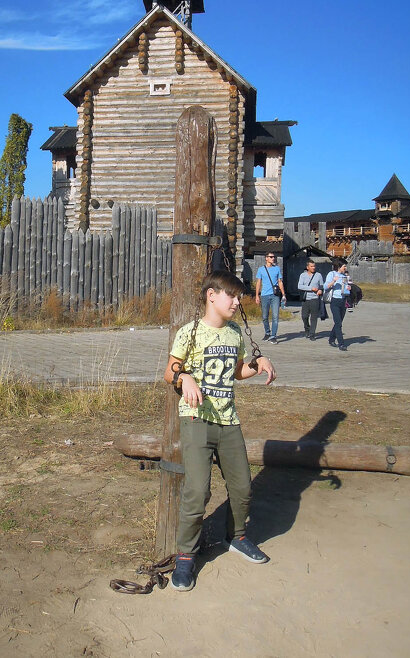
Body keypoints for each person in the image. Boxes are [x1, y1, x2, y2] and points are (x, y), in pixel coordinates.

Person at [164, 270, 276, 592]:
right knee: (197, 490)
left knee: (242, 487)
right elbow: (169, 371)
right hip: (197, 420)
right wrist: (184, 378)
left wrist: (258, 365)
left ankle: (236, 535)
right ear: (212, 295)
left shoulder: (235, 332)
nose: (237, 301)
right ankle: (186, 555)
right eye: (232, 296)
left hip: (229, 422)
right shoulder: (189, 332)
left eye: (239, 296)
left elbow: (237, 371)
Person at [255, 252, 286, 344]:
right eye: (271, 257)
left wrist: (283, 294)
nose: (273, 258)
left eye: (274, 257)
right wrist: (257, 295)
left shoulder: (277, 269)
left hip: (275, 295)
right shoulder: (261, 269)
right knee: (265, 316)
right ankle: (267, 332)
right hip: (264, 295)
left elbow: (280, 282)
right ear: (266, 258)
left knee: (275, 316)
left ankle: (273, 335)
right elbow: (258, 282)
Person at [323, 258, 351, 351]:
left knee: (338, 322)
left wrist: (349, 288)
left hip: (343, 301)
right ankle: (341, 343)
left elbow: (346, 288)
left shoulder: (345, 276)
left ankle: (331, 339)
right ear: (339, 266)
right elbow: (325, 286)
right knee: (338, 323)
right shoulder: (332, 274)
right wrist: (333, 281)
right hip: (335, 301)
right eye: (344, 266)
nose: (345, 268)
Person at [298, 259, 324, 340]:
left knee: (314, 317)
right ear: (307, 267)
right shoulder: (303, 275)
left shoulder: (318, 275)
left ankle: (312, 334)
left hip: (315, 299)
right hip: (306, 299)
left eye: (314, 266)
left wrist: (320, 290)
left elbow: (321, 286)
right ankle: (307, 328)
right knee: (304, 316)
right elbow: (300, 286)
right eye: (311, 266)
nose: (313, 267)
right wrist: (311, 288)